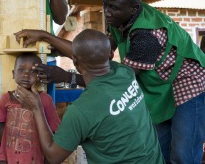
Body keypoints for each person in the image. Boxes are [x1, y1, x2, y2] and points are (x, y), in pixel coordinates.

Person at [15, 29, 164, 163]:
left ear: (74, 61)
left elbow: (53, 157)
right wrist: (44, 35)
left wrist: (37, 108)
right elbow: (90, 53)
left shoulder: (80, 111)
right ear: (111, 54)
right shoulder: (125, 73)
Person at [104, 0, 205, 163]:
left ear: (133, 8)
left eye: (113, 7)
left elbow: (123, 80)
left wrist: (72, 78)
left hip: (188, 82)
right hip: (160, 87)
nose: (107, 12)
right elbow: (105, 47)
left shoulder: (146, 35)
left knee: (183, 154)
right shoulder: (121, 18)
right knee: (158, 150)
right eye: (106, 5)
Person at [0, 53, 60, 163]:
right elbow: (2, 128)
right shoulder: (5, 99)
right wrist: (3, 155)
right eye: (21, 70)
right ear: (13, 74)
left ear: (39, 75)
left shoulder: (45, 100)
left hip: (36, 159)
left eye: (33, 71)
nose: (26, 75)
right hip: (11, 158)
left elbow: (54, 130)